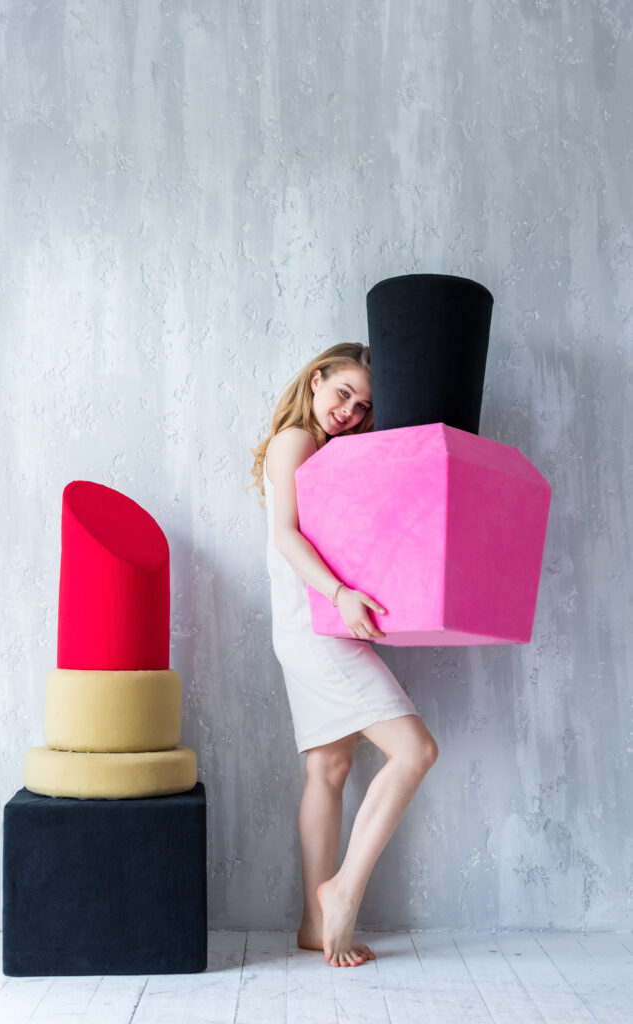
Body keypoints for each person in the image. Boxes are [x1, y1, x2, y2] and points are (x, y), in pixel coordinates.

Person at [248, 342, 439, 968]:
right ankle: (343, 890)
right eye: (342, 394)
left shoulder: (328, 448)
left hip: (312, 623)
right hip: (315, 624)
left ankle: (310, 921)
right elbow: (285, 535)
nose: (349, 411)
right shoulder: (295, 440)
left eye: (363, 407)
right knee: (415, 750)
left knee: (329, 769)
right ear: (316, 378)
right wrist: (339, 592)